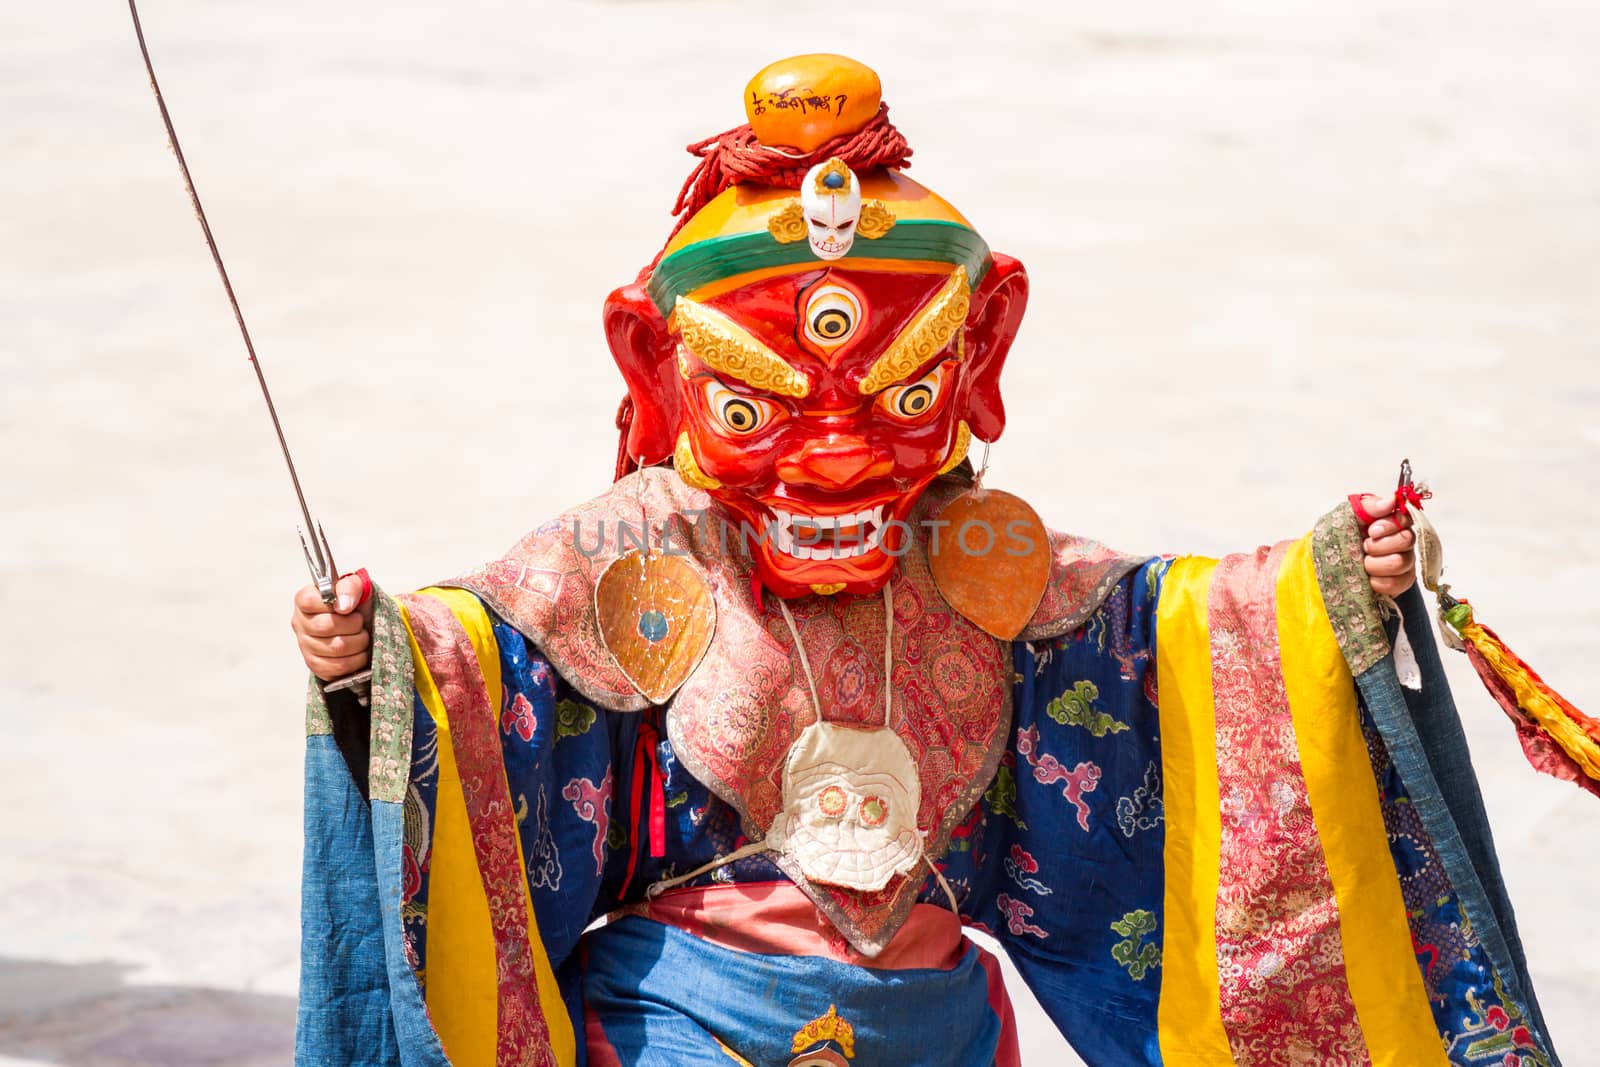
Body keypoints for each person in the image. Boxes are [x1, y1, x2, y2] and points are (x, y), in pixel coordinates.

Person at [289, 55, 1563, 1067]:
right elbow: (472, 657)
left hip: (940, 1015)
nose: (838, 460)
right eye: (755, 406)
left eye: (900, 399)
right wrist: (371, 655)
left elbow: (1176, 633)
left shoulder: (982, 558)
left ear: (982, 351)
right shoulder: (634, 551)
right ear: (654, 366)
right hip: (692, 1019)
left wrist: (1330, 579)